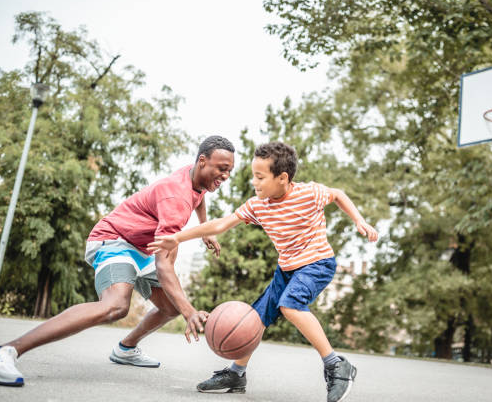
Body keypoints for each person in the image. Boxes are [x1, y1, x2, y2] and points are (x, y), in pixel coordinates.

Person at [0, 135, 235, 387]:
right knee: (116, 306)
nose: (225, 176)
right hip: (114, 239)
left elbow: (199, 196)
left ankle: (126, 349)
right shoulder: (176, 197)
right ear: (203, 161)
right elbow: (164, 267)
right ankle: (6, 351)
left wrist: (204, 228)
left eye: (230, 170)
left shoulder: (194, 177)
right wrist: (190, 312)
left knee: (170, 306)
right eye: (222, 169)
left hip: (142, 246)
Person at [148, 141, 378, 402]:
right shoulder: (258, 205)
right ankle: (237, 372)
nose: (254, 183)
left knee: (290, 306)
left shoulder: (309, 193)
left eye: (260, 177)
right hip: (287, 268)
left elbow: (337, 194)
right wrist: (178, 238)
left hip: (317, 264)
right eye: (252, 176)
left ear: (282, 178)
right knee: (255, 318)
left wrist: (360, 220)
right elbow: (221, 224)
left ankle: (336, 365)